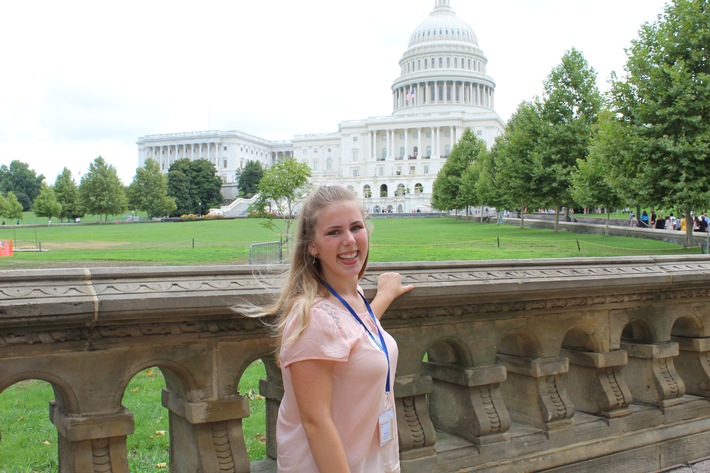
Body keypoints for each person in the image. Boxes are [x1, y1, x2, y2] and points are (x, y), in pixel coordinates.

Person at [245, 185, 413, 473]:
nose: (349, 240)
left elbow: (354, 333)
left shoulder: (352, 295)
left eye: (356, 227)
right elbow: (315, 422)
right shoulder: (311, 317)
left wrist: (384, 296)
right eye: (334, 232)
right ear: (313, 245)